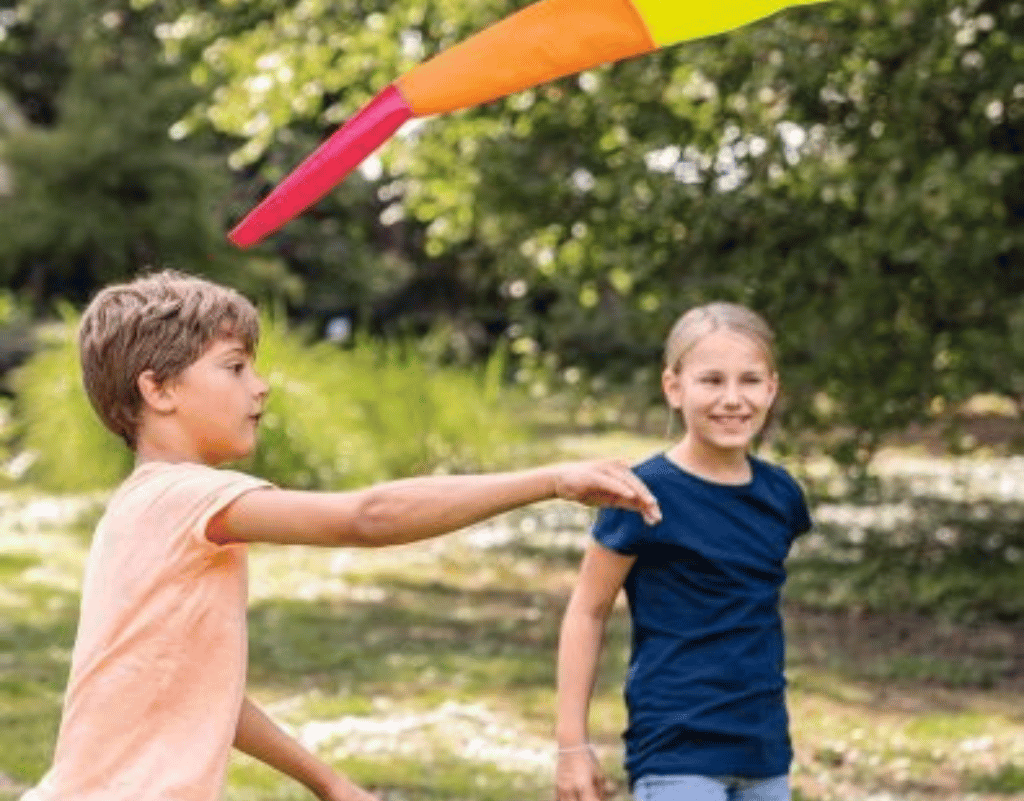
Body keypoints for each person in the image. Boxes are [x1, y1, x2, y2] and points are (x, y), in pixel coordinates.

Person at [23, 270, 662, 801]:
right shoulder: (181, 497)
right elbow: (368, 518)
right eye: (236, 367)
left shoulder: (145, 508)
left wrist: (329, 783)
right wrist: (550, 479)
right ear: (157, 390)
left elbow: (199, 693)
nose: (261, 385)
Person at [555, 302, 812, 801]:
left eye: (750, 381)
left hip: (764, 751)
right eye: (712, 381)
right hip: (676, 750)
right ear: (674, 388)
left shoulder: (781, 496)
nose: (733, 399)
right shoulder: (638, 493)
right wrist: (571, 745)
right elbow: (586, 612)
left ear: (773, 388)